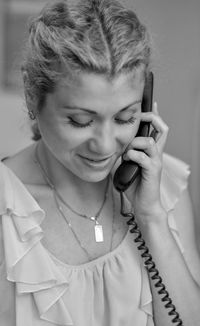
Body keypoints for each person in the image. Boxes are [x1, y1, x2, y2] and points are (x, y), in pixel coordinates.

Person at [0, 0, 200, 325]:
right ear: (30, 94)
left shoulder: (165, 190)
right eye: (80, 121)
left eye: (126, 117)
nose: (106, 145)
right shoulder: (6, 210)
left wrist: (151, 219)